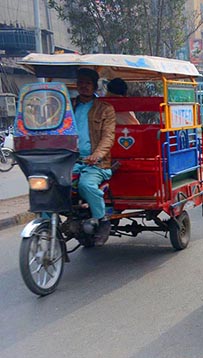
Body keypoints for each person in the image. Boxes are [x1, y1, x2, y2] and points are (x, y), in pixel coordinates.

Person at [72, 68, 116, 243]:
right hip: (70, 161)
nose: (83, 86)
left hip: (97, 164)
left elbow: (108, 137)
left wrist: (97, 155)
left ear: (95, 86)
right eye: (80, 83)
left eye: (87, 83)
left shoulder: (105, 109)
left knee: (86, 185)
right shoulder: (69, 106)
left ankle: (102, 219)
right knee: (49, 184)